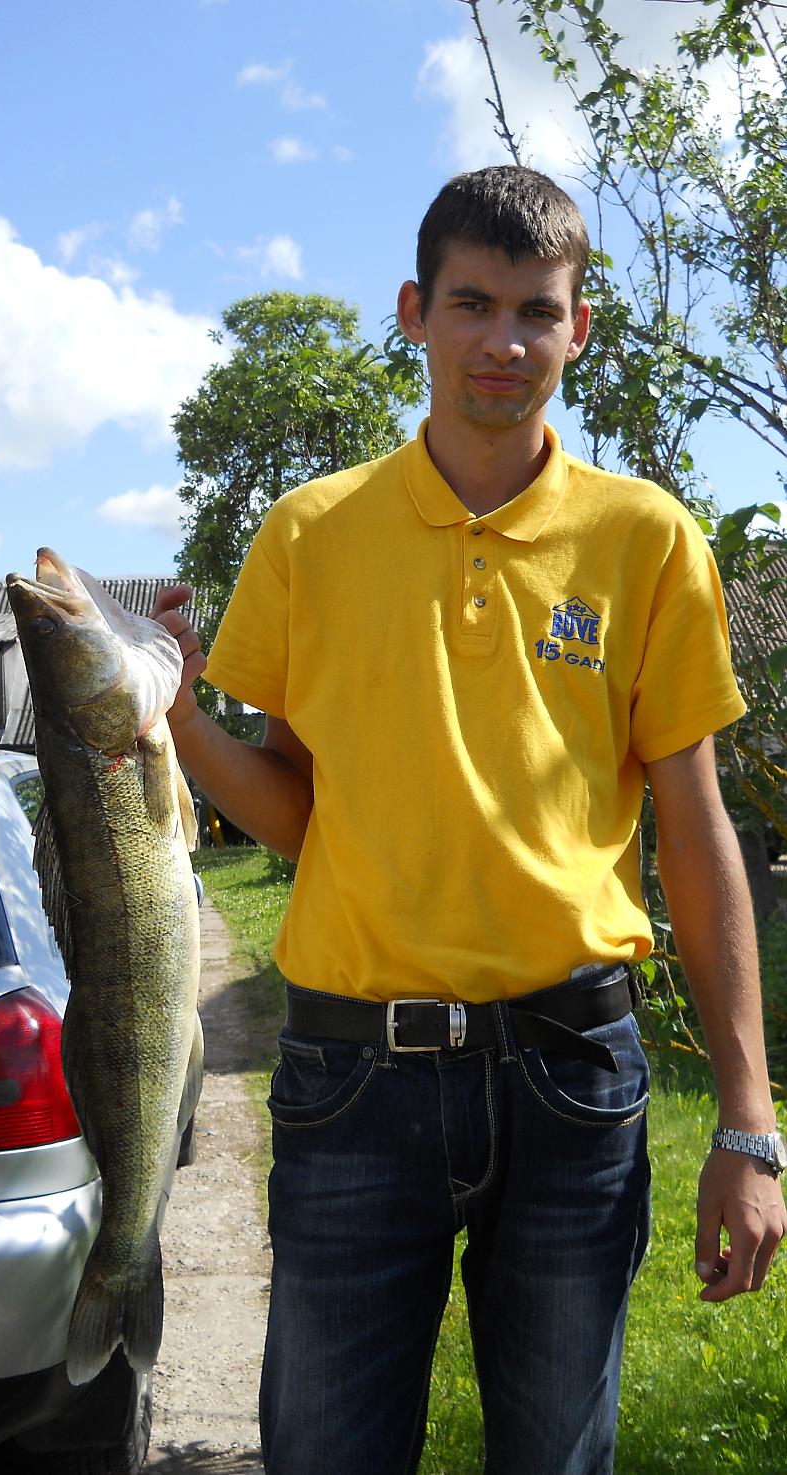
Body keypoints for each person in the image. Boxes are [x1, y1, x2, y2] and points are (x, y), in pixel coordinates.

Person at [153, 166, 787, 1475]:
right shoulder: (308, 534)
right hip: (349, 1081)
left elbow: (695, 830)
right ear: (414, 312)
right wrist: (180, 723)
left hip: (573, 1078)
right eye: (472, 304)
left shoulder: (647, 541)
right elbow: (295, 812)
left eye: (535, 311)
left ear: (578, 329)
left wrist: (744, 1120)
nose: (503, 341)